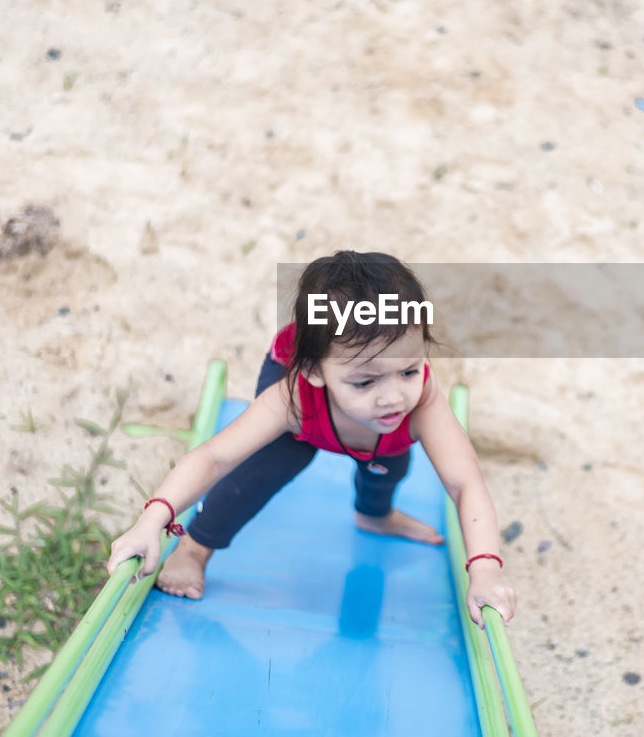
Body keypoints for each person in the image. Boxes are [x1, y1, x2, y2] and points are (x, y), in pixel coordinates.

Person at [106, 251, 517, 629]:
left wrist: (484, 569)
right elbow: (214, 458)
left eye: (408, 370)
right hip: (304, 396)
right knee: (276, 460)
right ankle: (195, 548)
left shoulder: (418, 397)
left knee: (391, 461)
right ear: (317, 372)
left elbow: (465, 483)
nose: (393, 396)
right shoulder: (293, 397)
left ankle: (374, 513)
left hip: (368, 425)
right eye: (366, 381)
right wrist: (152, 521)